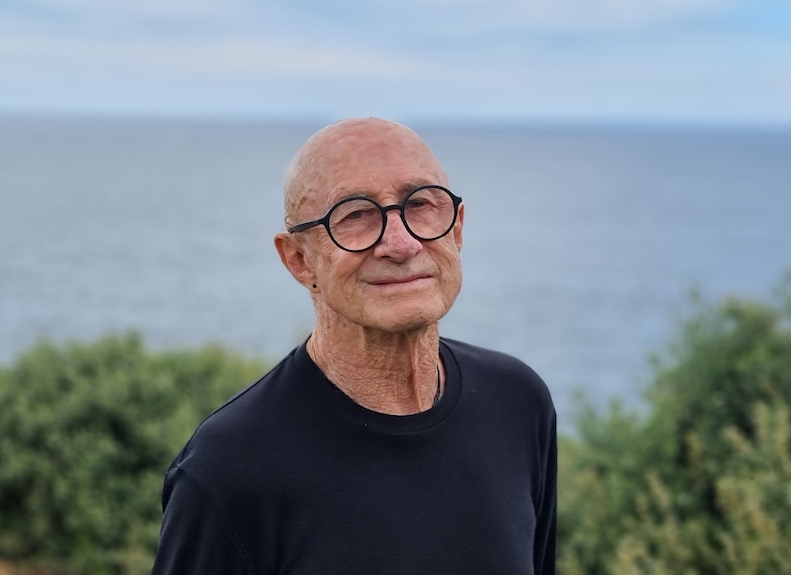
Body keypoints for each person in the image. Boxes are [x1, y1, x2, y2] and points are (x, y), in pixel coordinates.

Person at [150, 117, 557, 574]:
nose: (401, 244)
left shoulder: (518, 404)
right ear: (300, 261)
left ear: (457, 230)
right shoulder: (230, 467)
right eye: (356, 215)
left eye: (421, 203)